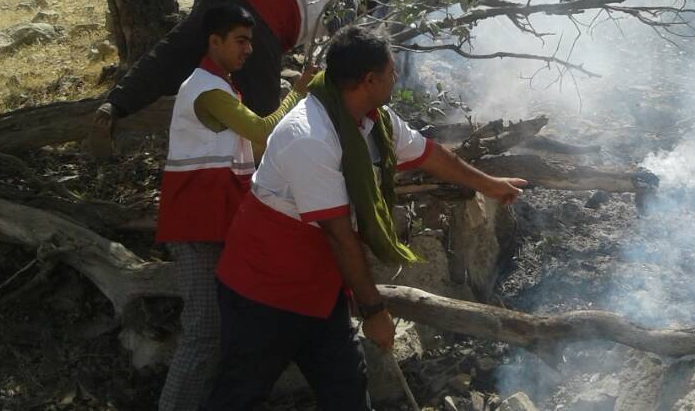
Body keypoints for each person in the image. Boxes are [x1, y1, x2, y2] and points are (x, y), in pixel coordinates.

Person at [205, 26, 528, 411]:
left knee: (347, 391)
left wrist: (490, 185)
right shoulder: (309, 136)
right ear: (369, 80)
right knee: (238, 396)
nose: (396, 77)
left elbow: (431, 154)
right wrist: (374, 310)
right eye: (392, 71)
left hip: (320, 287)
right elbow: (339, 234)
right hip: (264, 291)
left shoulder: (373, 119)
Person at [156, 1, 316, 411]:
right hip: (197, 229)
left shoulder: (220, 87)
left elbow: (255, 145)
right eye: (241, 41)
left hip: (217, 226)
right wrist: (297, 92)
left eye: (251, 41)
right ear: (215, 41)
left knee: (224, 331)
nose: (248, 49)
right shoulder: (206, 89)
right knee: (203, 334)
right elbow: (262, 130)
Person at [88, 0, 372, 157]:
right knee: (263, 110)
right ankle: (258, 185)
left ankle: (115, 105)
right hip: (264, 14)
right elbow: (345, 50)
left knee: (174, 52)